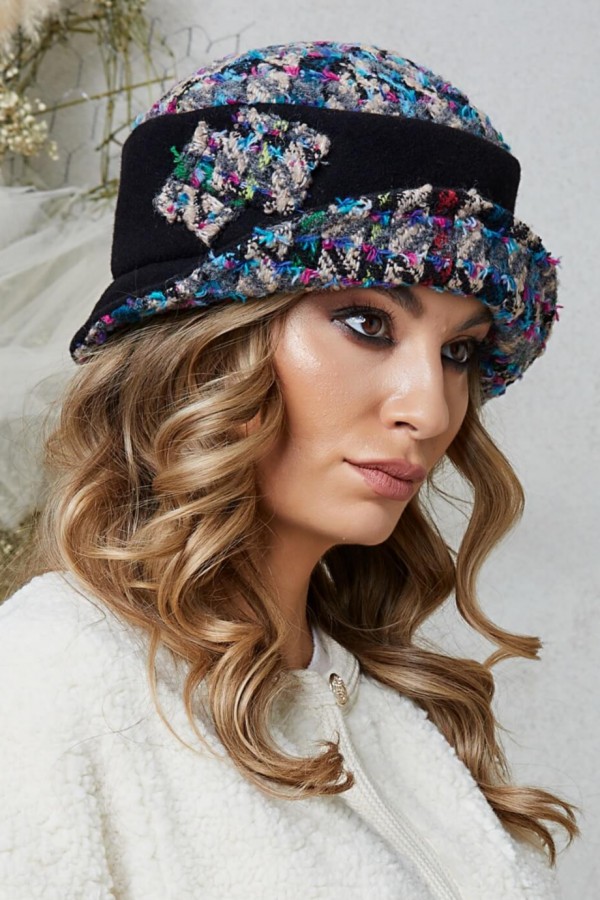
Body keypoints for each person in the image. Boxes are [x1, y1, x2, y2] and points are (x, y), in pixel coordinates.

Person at [0, 41, 579, 899]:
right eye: (368, 324)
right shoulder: (49, 684)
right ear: (204, 347)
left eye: (458, 351)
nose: (430, 410)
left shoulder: (398, 715)